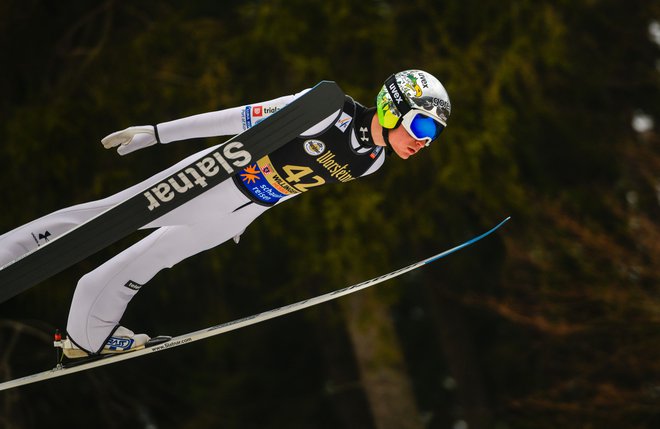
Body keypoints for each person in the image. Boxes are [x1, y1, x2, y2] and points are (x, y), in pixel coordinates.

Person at [0, 69, 451, 358]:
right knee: (101, 220)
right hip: (212, 179)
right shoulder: (325, 110)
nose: (424, 141)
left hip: (238, 212)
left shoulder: (372, 163)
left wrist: (247, 217)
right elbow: (238, 119)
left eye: (434, 135)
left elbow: (296, 184)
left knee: (146, 262)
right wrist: (158, 134)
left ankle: (86, 338)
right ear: (392, 108)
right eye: (423, 125)